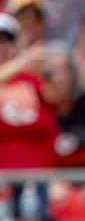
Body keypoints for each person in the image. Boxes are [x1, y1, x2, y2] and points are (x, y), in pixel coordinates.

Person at [0, 18, 58, 176]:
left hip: (40, 176)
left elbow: (59, 98)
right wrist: (23, 61)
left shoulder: (33, 78)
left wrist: (46, 70)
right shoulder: (23, 65)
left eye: (7, 40)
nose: (2, 47)